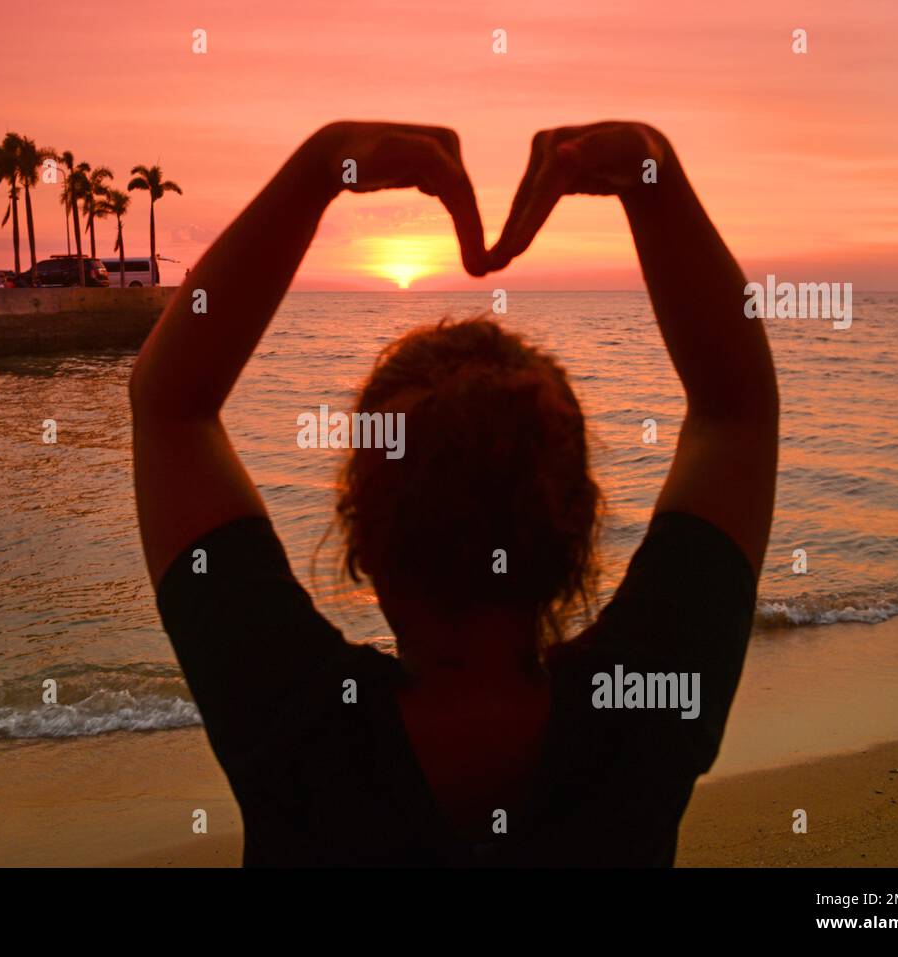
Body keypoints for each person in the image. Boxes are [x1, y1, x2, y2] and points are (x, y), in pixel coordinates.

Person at [129, 121, 778, 866]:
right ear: (580, 528)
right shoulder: (647, 709)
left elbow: (170, 404)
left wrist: (321, 164)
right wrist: (650, 172)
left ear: (362, 543)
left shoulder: (294, 726)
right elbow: (736, 412)